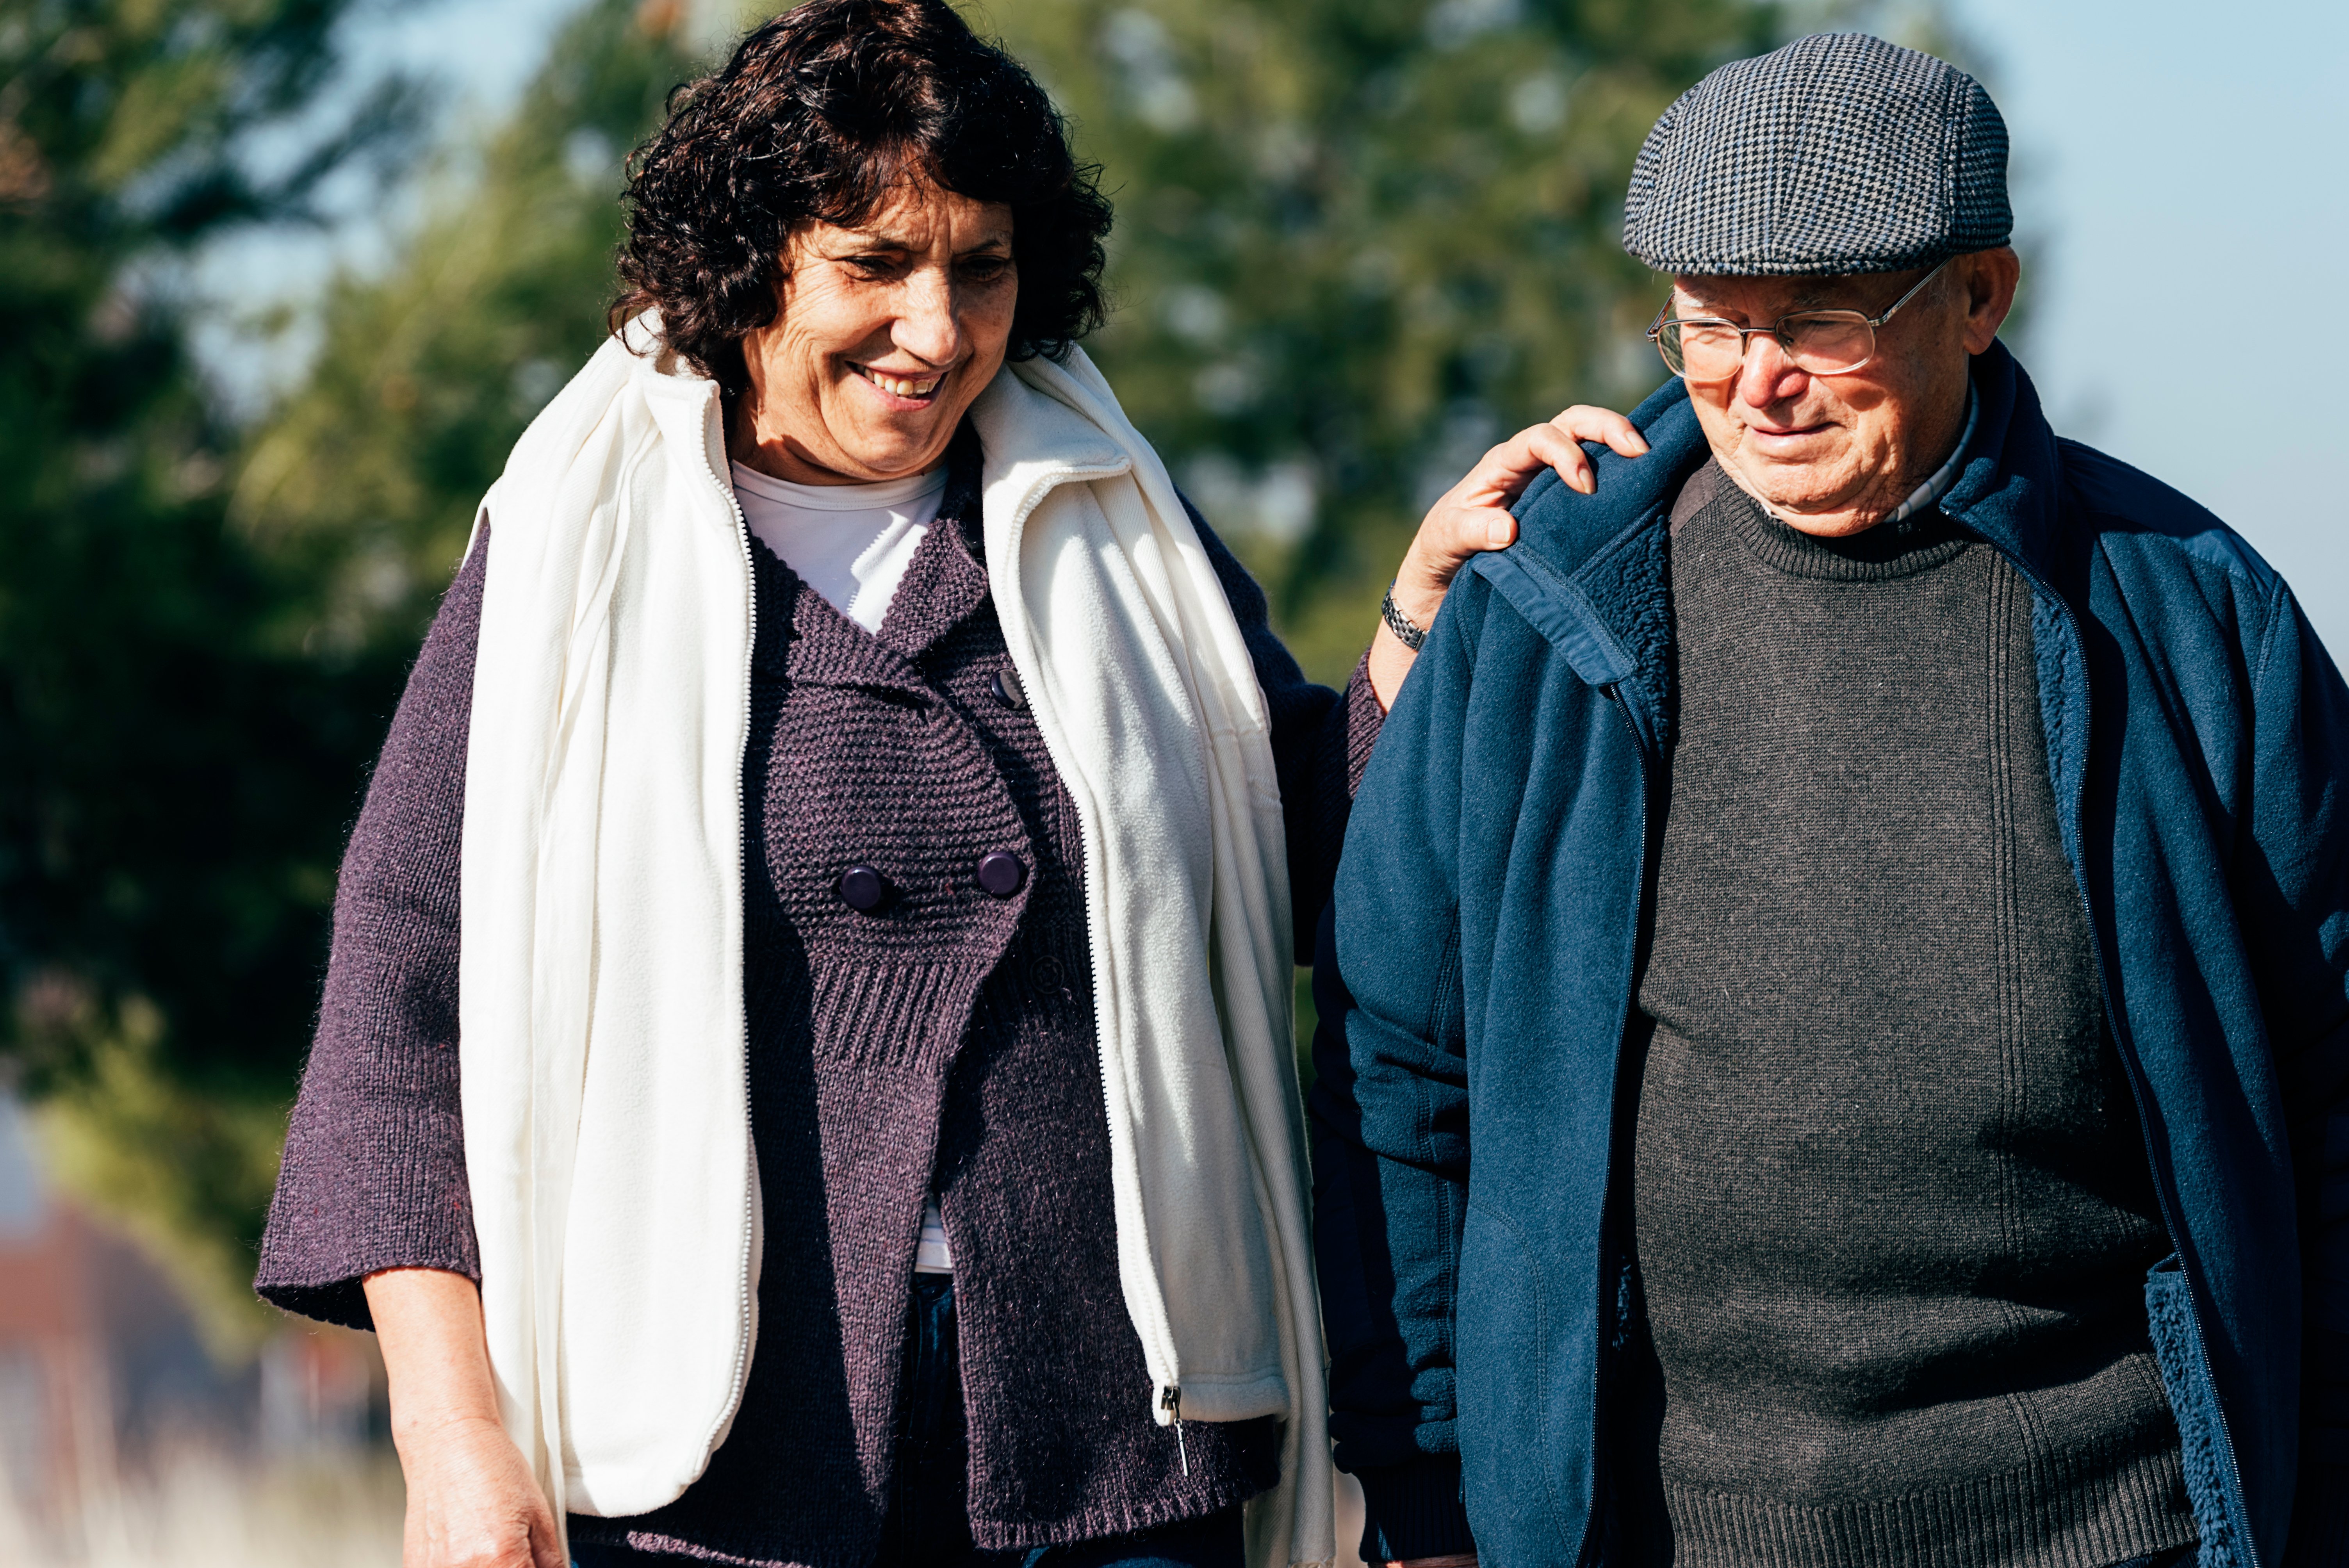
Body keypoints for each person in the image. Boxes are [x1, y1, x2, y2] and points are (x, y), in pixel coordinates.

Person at [251, 4, 1645, 1568]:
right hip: (714, 1463)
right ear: (749, 259)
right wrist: (452, 1436)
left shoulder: (1110, 516)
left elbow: (1306, 862)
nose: (935, 327)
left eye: (980, 266)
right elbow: (398, 1012)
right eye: (873, 263)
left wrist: (1415, 616)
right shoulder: (577, 544)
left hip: (1114, 1439)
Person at [1313, 30, 2347, 1568]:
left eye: (1816, 321)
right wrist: (1430, 1489)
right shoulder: (1540, 618)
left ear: (1979, 297)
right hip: (1662, 1532)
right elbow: (1399, 1076)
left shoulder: (2196, 623)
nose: (1755, 380)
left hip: (2117, 1522)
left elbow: (2328, 1104)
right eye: (1704, 330)